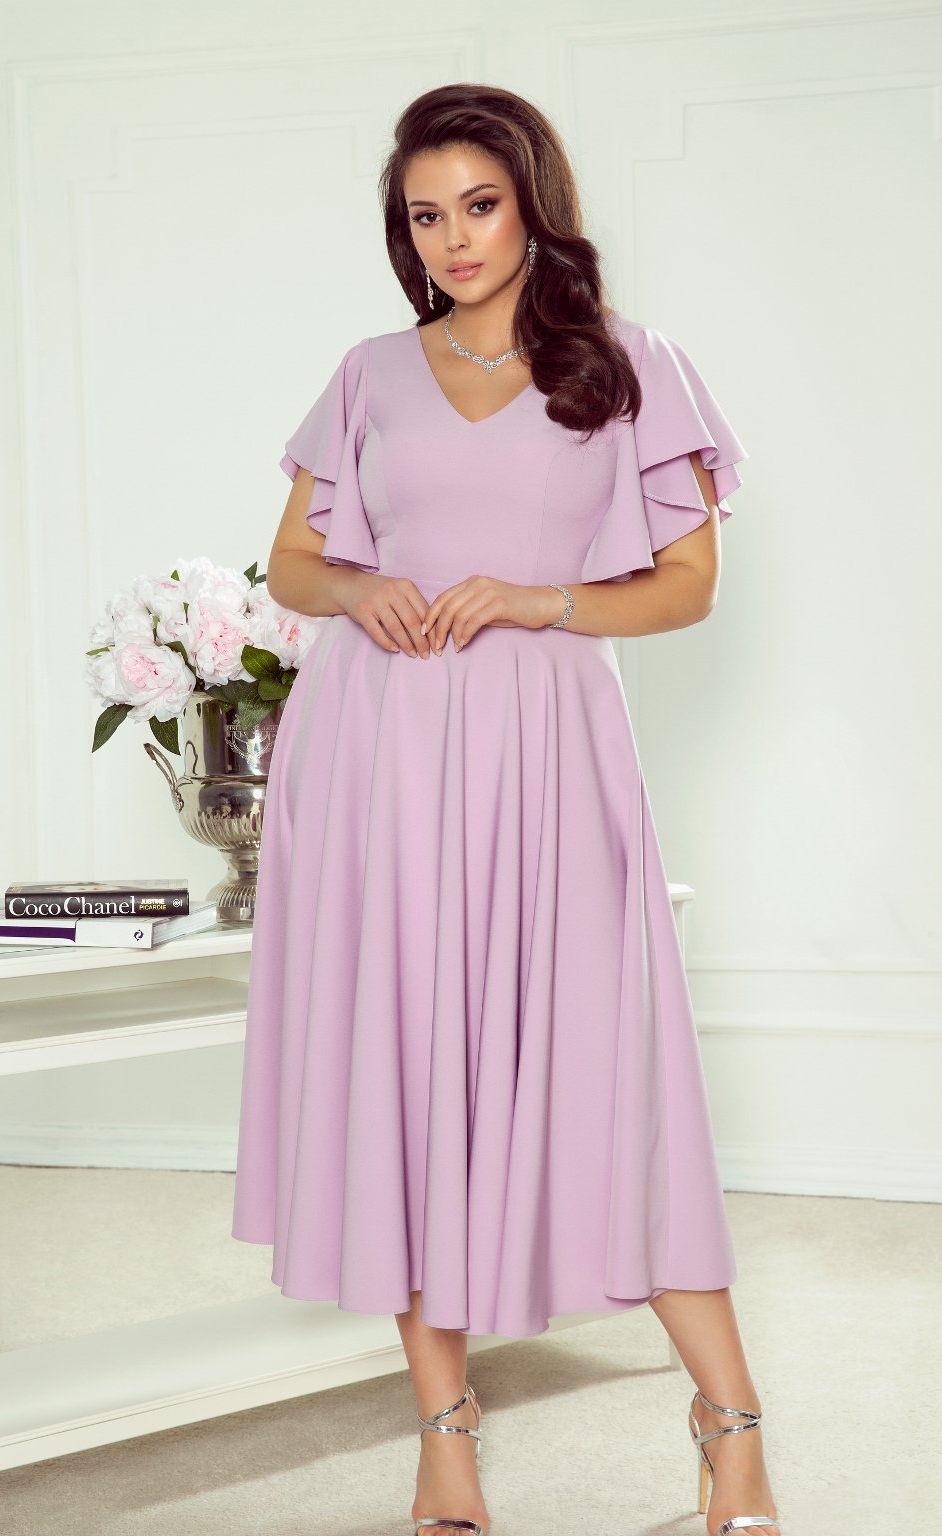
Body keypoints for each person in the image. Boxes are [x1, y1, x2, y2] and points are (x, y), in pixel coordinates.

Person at [231, 82, 781, 1536]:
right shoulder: (368, 372)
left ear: (535, 203)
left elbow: (687, 587)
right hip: (376, 751)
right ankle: (446, 1442)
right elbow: (291, 565)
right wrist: (361, 585)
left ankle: (731, 1426)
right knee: (411, 1085)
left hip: (547, 754)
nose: (454, 238)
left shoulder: (631, 365)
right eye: (425, 215)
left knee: (617, 1080)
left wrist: (538, 601)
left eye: (479, 204)